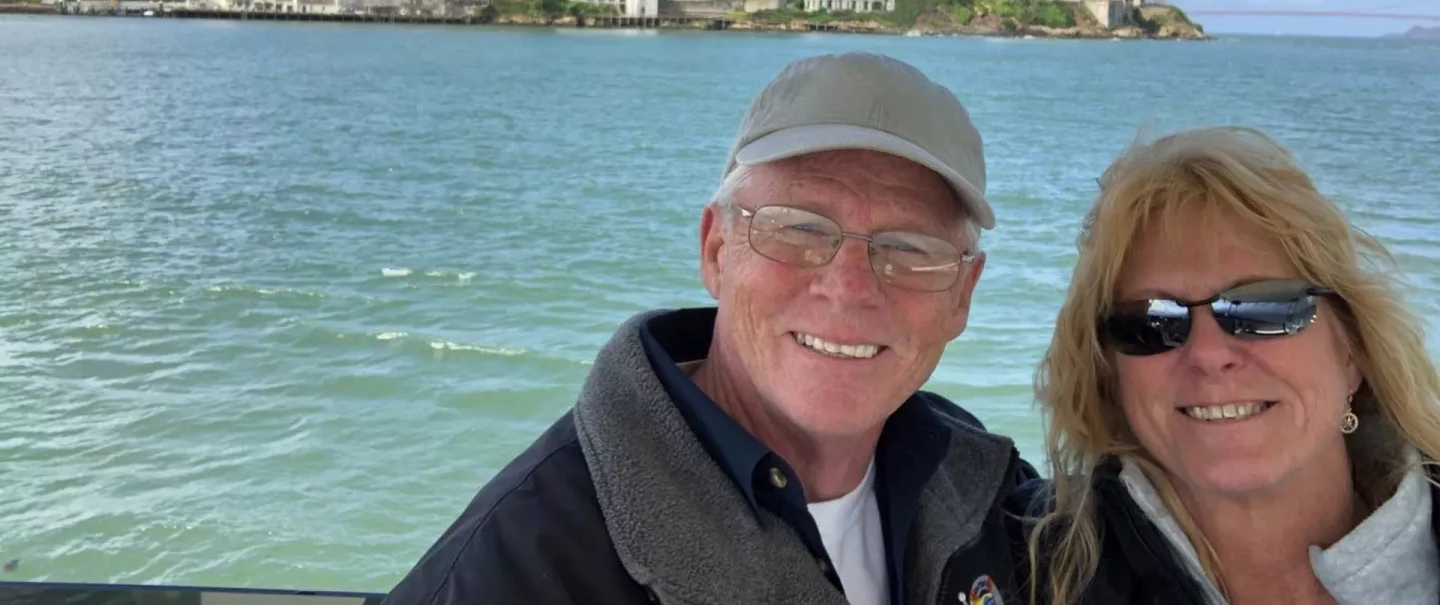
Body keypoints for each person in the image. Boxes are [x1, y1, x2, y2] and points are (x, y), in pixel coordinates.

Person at [379, 52, 1038, 605]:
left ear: (963, 295)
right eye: (798, 229)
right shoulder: (518, 563)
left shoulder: (981, 488)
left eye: (909, 249)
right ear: (716, 251)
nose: (848, 288)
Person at [1016, 125, 1440, 605]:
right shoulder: (1022, 571)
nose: (1208, 355)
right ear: (1109, 371)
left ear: (1352, 350)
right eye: (1153, 321)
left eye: (1262, 307)